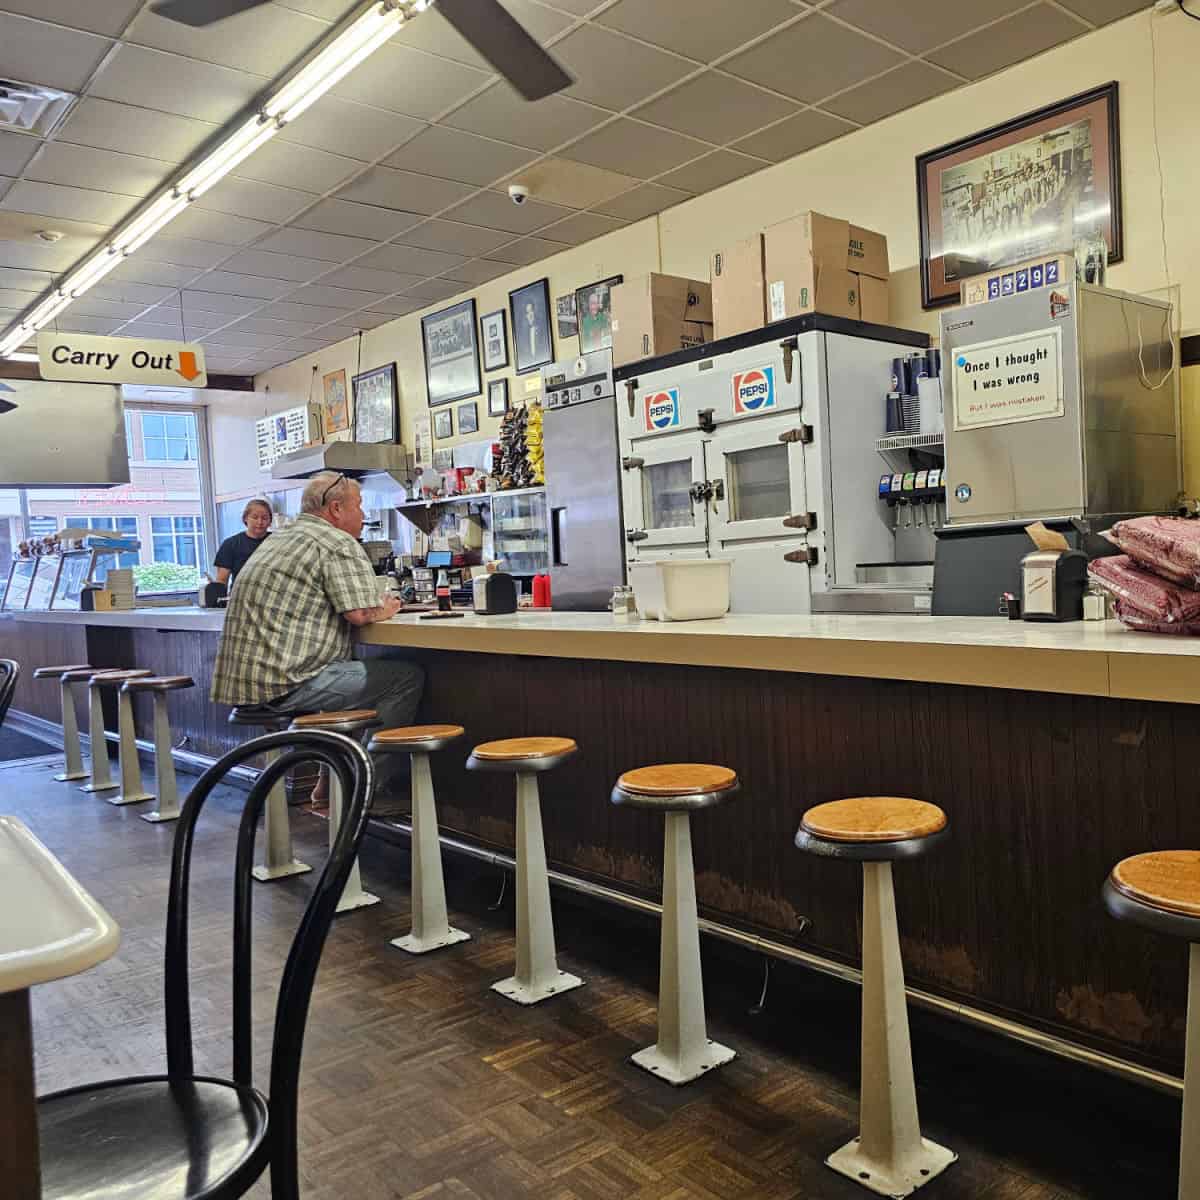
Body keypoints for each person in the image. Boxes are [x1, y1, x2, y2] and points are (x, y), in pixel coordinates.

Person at [211, 471, 423, 808]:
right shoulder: (335, 542)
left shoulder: (278, 539)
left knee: (351, 677)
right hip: (285, 685)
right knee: (404, 679)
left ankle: (329, 783)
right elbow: (360, 613)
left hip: (248, 686)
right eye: (359, 506)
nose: (363, 515)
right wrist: (386, 609)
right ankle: (365, 790)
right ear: (336, 508)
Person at [213, 497, 272, 586]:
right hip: (240, 596)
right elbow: (221, 581)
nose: (260, 522)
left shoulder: (277, 541)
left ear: (270, 521)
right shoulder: (230, 544)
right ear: (245, 518)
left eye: (264, 518)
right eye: (255, 517)